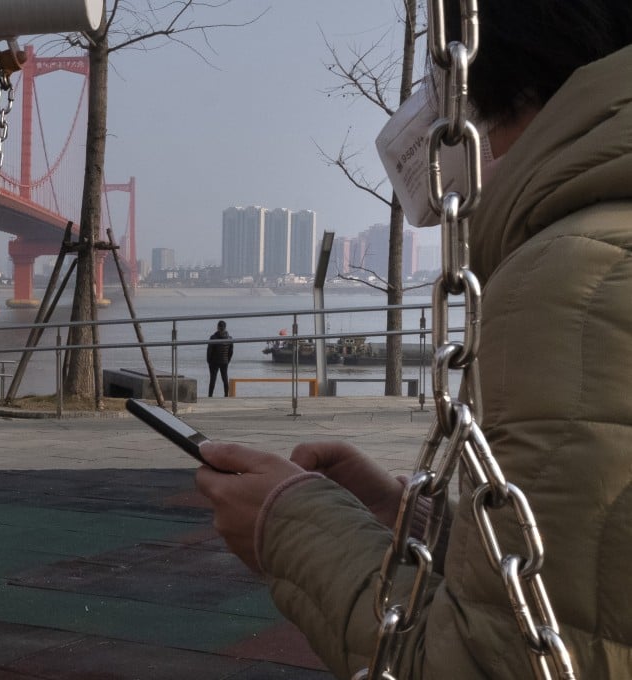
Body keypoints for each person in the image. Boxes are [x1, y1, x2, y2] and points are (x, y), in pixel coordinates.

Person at [195, 2, 632, 677]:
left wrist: (289, 525)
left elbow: (490, 664)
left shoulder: (574, 279)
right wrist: (424, 527)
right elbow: (596, 575)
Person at [206, 320, 233, 397]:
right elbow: (231, 352)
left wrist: (208, 361)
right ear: (225, 327)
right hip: (224, 361)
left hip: (214, 362)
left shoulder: (213, 338)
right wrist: (228, 360)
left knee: (213, 380)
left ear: (217, 327)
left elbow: (209, 351)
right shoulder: (230, 338)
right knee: (225, 379)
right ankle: (226, 396)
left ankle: (210, 396)